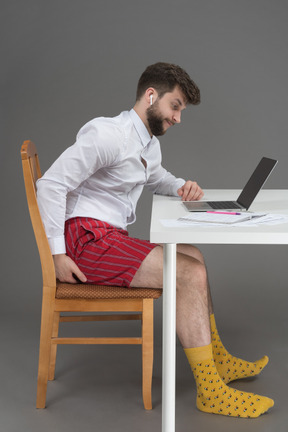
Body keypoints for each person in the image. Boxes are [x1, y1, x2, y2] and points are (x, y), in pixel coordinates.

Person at [37, 62, 274, 418]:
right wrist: (56, 254)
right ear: (151, 96)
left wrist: (180, 185)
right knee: (187, 273)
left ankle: (218, 360)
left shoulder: (146, 143)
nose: (178, 118)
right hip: (86, 241)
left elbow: (152, 175)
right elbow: (51, 184)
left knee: (191, 253)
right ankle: (210, 391)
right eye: (175, 106)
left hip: (109, 237)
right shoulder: (108, 135)